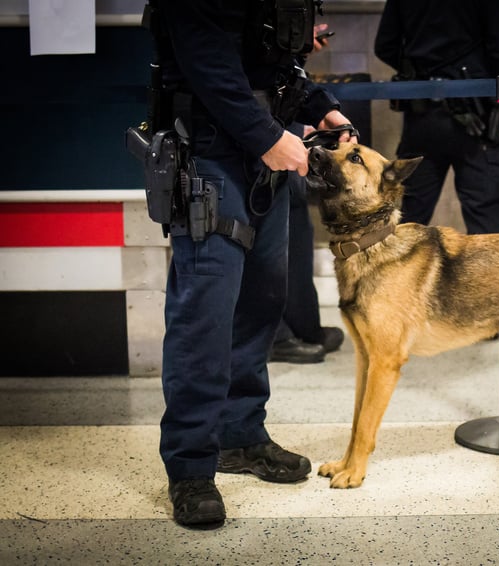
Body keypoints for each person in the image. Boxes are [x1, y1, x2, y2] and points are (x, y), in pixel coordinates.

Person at [149, 2, 356, 528]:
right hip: (213, 156)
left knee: (262, 305)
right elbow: (209, 66)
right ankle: (191, 467)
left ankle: (241, 436)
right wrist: (266, 138)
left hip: (268, 155)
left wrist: (321, 104)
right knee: (206, 318)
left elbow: (275, 63)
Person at [374, 0, 499, 235]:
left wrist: (417, 67)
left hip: (422, 116)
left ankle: (401, 272)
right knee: (486, 225)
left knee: (411, 220)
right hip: (475, 116)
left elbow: (385, 45)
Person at [271, 24, 344, 365]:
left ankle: (304, 324)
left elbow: (283, 70)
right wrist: (293, 130)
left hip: (280, 130)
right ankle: (276, 335)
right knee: (264, 245)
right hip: (254, 139)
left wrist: (323, 111)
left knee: (296, 224)